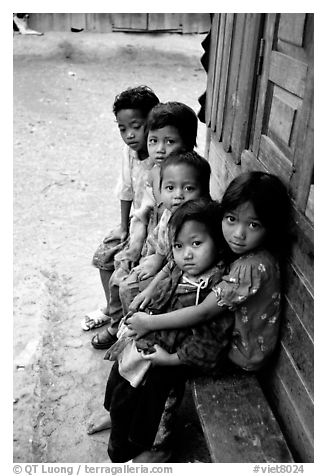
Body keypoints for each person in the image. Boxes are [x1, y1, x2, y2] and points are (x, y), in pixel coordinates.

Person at [122, 171, 291, 461]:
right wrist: (152, 291)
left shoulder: (252, 267)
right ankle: (124, 412)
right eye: (231, 219)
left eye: (254, 224)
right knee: (155, 337)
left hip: (238, 356)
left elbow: (203, 312)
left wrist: (149, 322)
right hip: (230, 335)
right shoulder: (244, 253)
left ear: (270, 228)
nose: (238, 233)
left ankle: (158, 446)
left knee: (162, 366)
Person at [99, 198, 232, 462]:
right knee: (123, 375)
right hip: (152, 340)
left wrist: (171, 359)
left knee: (157, 403)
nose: (187, 254)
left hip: (174, 358)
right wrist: (148, 292)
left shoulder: (215, 288)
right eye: (179, 246)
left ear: (218, 244)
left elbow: (210, 340)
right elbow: (170, 266)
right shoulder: (179, 266)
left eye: (197, 244)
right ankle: (115, 415)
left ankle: (158, 448)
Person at [90, 102, 199, 349]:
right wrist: (136, 250)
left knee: (130, 287)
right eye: (153, 141)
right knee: (119, 272)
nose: (160, 149)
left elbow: (186, 226)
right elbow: (147, 216)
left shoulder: (189, 175)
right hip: (156, 242)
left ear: (188, 141)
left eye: (170, 142)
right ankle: (122, 327)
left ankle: (136, 338)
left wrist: (157, 260)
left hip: (176, 255)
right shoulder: (155, 173)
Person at [81, 85, 159, 331]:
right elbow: (126, 189)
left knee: (126, 269)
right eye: (122, 128)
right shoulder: (129, 152)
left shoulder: (161, 159)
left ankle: (122, 324)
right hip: (136, 225)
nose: (129, 135)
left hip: (154, 231)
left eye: (136, 127)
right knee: (104, 254)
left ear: (153, 121)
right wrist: (123, 227)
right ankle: (111, 309)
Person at [119, 150, 212, 316]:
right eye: (170, 188)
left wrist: (153, 285)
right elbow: (162, 246)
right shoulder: (168, 215)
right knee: (127, 284)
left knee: (134, 290)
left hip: (189, 276)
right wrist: (157, 259)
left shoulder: (201, 221)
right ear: (160, 190)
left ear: (204, 191)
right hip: (170, 266)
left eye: (188, 188)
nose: (178, 195)